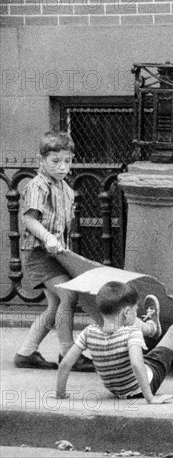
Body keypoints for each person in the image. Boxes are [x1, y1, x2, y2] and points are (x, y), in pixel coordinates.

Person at [56, 282, 173, 403]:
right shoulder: (131, 333)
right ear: (126, 312)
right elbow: (137, 365)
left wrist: (60, 394)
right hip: (144, 384)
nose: (135, 312)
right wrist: (150, 398)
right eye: (134, 310)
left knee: (138, 346)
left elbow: (65, 363)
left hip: (117, 389)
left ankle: (153, 327)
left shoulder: (88, 332)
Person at [14, 131, 94, 372]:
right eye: (55, 161)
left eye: (67, 161)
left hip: (55, 254)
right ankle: (68, 354)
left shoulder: (64, 188)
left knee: (54, 304)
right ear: (42, 160)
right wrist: (47, 237)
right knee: (68, 296)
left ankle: (26, 353)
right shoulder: (37, 186)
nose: (62, 167)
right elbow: (29, 219)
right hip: (38, 254)